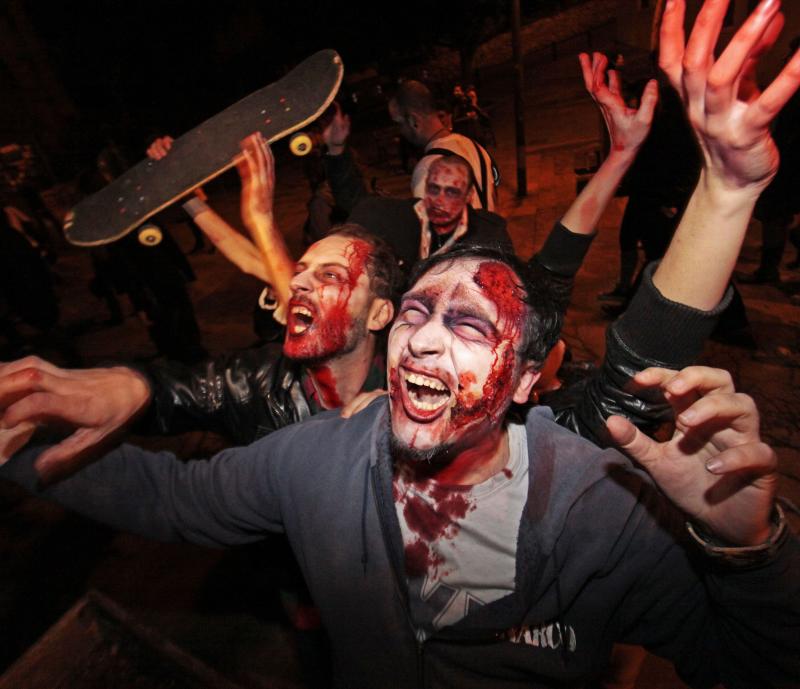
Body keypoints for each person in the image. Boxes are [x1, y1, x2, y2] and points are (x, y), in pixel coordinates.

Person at [388, 79, 499, 211]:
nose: (400, 131)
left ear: (414, 120)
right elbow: (493, 195)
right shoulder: (474, 146)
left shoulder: (427, 169)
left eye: (399, 124)